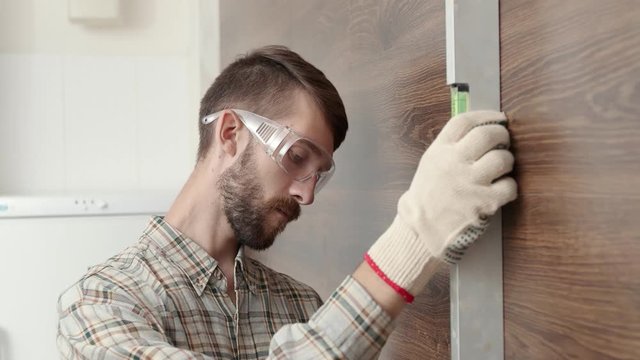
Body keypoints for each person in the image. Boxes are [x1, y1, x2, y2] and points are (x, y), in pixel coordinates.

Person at [57, 45, 517, 359]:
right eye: (296, 157)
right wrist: (414, 238)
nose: (306, 193)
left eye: (319, 173)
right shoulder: (100, 302)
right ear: (231, 134)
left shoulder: (299, 305)